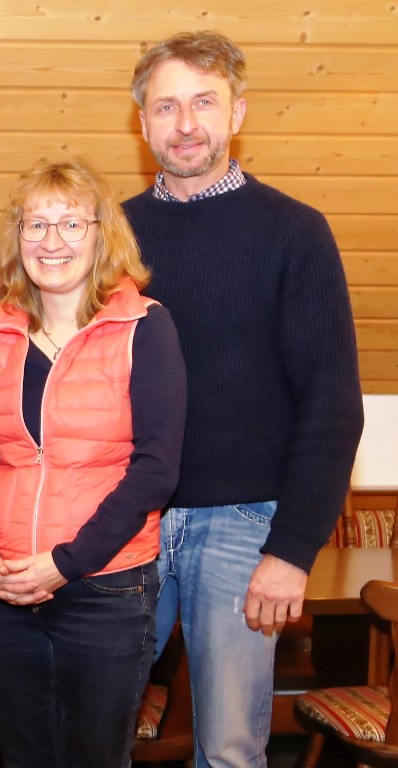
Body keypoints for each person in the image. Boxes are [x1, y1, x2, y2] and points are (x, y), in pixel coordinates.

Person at [123, 30, 365, 766]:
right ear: (142, 121)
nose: (185, 124)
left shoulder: (295, 233)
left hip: (243, 527)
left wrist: (291, 551)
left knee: (229, 749)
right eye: (166, 106)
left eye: (204, 102)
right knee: (91, 733)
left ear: (238, 113)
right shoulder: (109, 236)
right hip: (125, 518)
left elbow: (332, 405)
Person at [0, 159, 186, 768]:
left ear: (103, 235)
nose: (51, 241)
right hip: (4, 588)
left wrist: (64, 564)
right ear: (18, 238)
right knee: (23, 756)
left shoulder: (144, 327)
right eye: (36, 224)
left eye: (71, 224)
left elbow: (157, 468)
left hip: (105, 586)